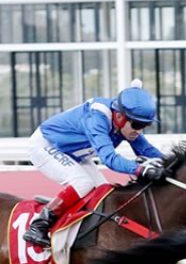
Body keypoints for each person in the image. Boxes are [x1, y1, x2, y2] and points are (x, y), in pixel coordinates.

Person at [23, 79, 167, 248]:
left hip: (73, 153)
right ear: (119, 116)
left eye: (145, 125)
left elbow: (146, 150)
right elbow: (109, 159)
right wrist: (140, 170)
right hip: (45, 145)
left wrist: (174, 164)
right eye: (137, 124)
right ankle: (39, 225)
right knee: (82, 183)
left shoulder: (124, 123)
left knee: (105, 193)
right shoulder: (97, 118)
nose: (139, 130)